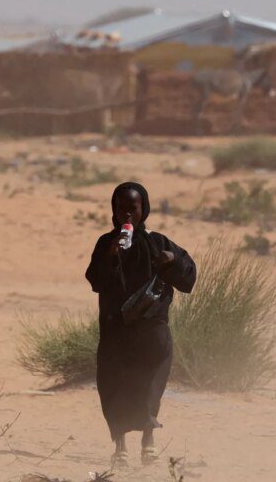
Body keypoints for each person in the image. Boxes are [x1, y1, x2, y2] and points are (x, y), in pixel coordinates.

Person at [85, 182, 196, 468]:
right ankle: (119, 446)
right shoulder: (105, 243)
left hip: (150, 331)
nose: (127, 215)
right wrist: (111, 256)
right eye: (121, 208)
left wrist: (172, 260)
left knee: (148, 385)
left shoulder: (158, 242)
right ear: (114, 209)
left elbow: (188, 277)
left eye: (132, 208)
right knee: (115, 386)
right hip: (116, 331)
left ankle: (148, 442)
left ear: (143, 209)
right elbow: (95, 280)